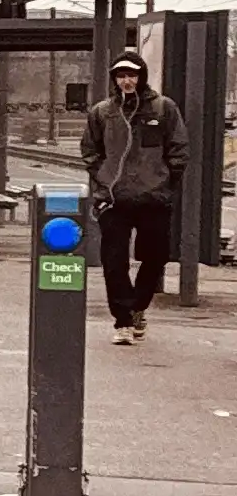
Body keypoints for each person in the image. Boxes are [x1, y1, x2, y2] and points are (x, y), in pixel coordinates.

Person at [84, 52, 182, 344]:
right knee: (114, 261)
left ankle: (138, 306)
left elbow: (178, 147)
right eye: (121, 75)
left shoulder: (163, 109)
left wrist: (167, 182)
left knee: (154, 257)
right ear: (114, 79)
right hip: (115, 198)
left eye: (132, 75)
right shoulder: (103, 112)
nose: (127, 81)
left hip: (153, 197)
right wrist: (102, 179)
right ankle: (123, 320)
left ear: (142, 76)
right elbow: (91, 149)